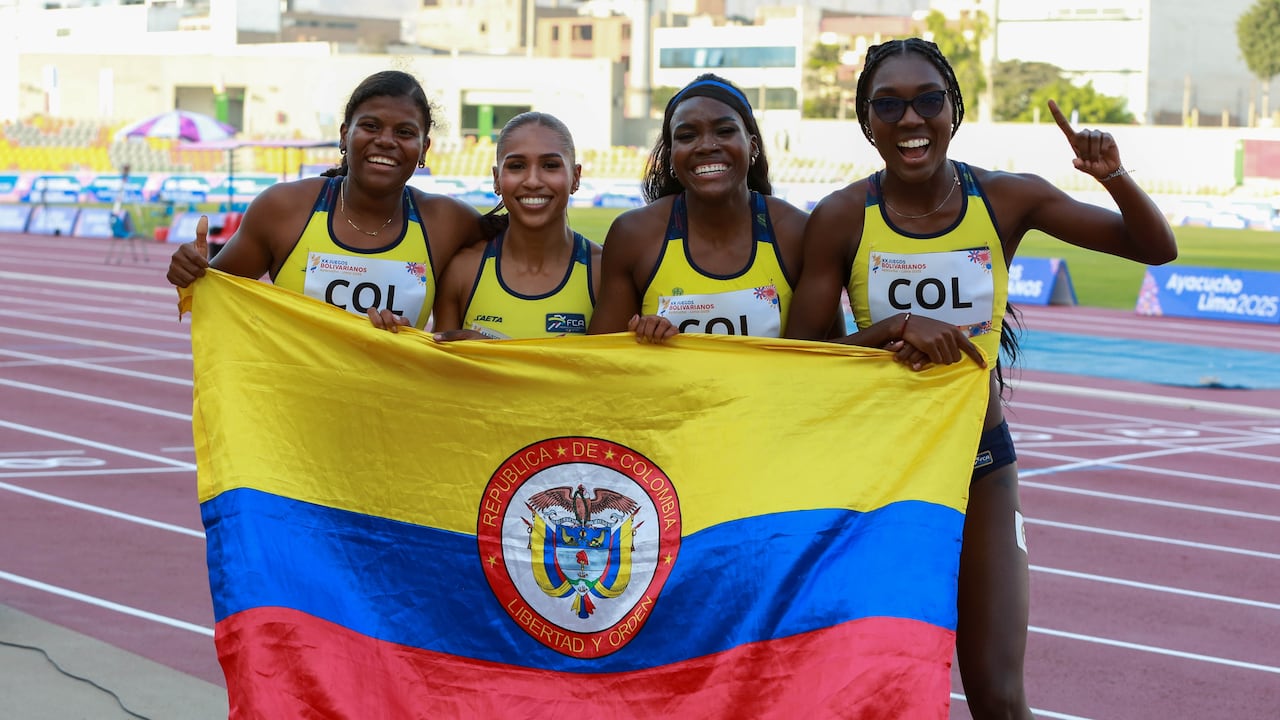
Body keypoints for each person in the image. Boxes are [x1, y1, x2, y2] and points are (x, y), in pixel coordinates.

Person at [784, 38, 1177, 719]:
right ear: (867, 122)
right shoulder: (844, 217)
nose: (911, 120)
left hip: (981, 461)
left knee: (998, 695)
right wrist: (889, 329)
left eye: (928, 100)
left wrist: (1112, 175)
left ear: (954, 110)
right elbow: (798, 360)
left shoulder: (1005, 198)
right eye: (890, 105)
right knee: (871, 688)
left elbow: (1154, 248)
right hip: (881, 471)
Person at [165, 70, 484, 330]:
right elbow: (213, 295)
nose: (386, 140)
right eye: (371, 126)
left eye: (404, 132)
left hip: (391, 406)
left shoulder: (449, 223)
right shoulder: (284, 209)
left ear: (424, 148)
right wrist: (190, 272)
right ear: (345, 135)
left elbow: (522, 267)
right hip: (291, 407)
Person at [585, 73, 816, 341]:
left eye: (725, 131)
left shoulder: (798, 233)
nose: (706, 145)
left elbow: (830, 357)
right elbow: (603, 360)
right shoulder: (633, 235)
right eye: (687, 135)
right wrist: (640, 338)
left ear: (752, 145)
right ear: (671, 155)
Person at [368, 111, 601, 339]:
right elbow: (440, 370)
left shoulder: (602, 272)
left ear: (576, 177)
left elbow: (608, 373)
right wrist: (398, 338)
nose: (532, 181)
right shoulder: (462, 272)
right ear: (497, 179)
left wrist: (491, 353)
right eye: (517, 166)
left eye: (550, 165)